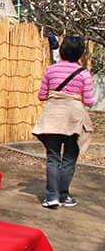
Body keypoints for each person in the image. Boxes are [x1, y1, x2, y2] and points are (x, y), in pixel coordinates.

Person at [32, 35, 95, 208]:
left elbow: (42, 96)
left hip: (52, 117)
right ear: (80, 53)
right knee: (69, 159)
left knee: (52, 158)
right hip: (73, 119)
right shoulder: (84, 74)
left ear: (61, 50)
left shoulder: (51, 70)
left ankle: (51, 197)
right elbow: (89, 101)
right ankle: (63, 195)